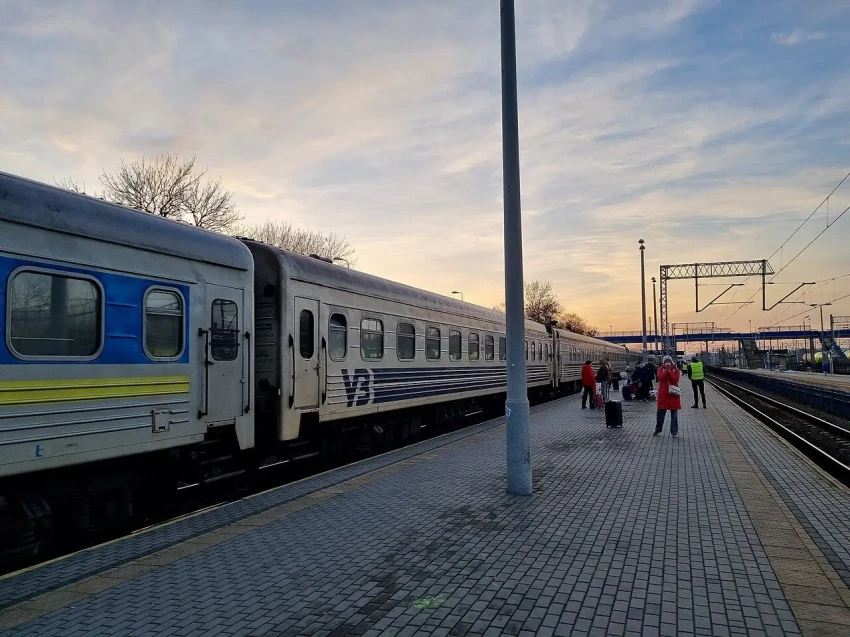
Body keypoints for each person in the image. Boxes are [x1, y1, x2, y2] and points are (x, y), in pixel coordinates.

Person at [654, 355, 682, 437]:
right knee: (660, 414)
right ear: (663, 363)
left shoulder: (676, 370)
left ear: (671, 361)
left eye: (669, 361)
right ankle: (658, 429)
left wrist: (669, 371)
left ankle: (674, 431)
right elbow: (661, 378)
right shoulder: (660, 369)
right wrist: (666, 370)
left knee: (674, 415)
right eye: (666, 361)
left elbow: (675, 379)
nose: (667, 363)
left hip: (673, 394)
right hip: (663, 395)